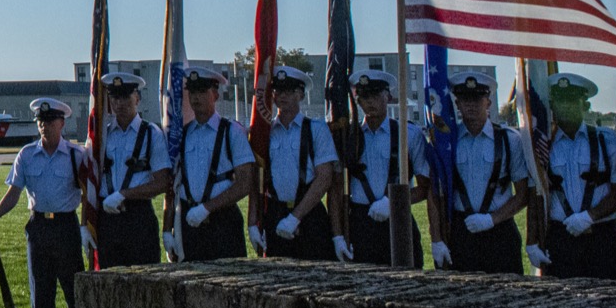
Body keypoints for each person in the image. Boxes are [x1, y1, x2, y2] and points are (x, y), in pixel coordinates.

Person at [0, 98, 89, 308]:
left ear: (62, 123)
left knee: (73, 293)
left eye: (50, 122)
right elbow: (14, 193)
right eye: (40, 122)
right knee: (41, 293)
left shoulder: (76, 155)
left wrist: (86, 226)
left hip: (66, 226)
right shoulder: (27, 155)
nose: (44, 127)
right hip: (38, 226)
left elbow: (89, 194)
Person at [536, 72, 616, 280]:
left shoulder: (607, 140)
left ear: (585, 105)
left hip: (603, 238)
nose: (565, 106)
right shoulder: (543, 145)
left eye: (572, 100)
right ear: (552, 106)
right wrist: (533, 241)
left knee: (613, 301)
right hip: (562, 240)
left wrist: (590, 216)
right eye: (560, 101)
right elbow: (536, 194)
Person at [443, 68, 531, 274]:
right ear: (457, 104)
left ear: (488, 103)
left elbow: (523, 194)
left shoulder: (510, 140)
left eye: (477, 99)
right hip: (461, 232)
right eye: (465, 99)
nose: (471, 105)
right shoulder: (448, 142)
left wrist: (492, 219)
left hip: (500, 233)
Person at [164, 65, 253, 261]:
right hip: (190, 224)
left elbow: (246, 182)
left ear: (215, 95)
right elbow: (174, 184)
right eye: (193, 92)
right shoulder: (183, 135)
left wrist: (207, 208)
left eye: (202, 92)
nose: (196, 98)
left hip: (223, 222)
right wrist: (168, 228)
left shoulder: (232, 132)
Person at [340, 68, 429, 266]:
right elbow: (338, 187)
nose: (369, 102)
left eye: (375, 95)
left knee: (406, 282)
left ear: (388, 97)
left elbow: (424, 187)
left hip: (398, 218)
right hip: (360, 221)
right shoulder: (349, 136)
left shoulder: (408, 134)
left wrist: (393, 203)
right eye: (364, 96)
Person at [255, 66, 342, 262]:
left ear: (301, 94)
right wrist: (255, 223)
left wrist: (295, 217)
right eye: (277, 91)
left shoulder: (316, 129)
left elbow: (325, 177)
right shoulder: (266, 132)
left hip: (310, 215)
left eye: (288, 91)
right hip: (276, 214)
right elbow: (257, 176)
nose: (281, 96)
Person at [92, 72, 170, 266]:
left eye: (126, 96)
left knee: (145, 283)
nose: (120, 103)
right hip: (107, 220)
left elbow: (162, 182)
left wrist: (124, 195)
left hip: (138, 218)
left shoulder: (152, 133)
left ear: (137, 98)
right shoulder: (101, 135)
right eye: (115, 97)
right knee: (109, 285)